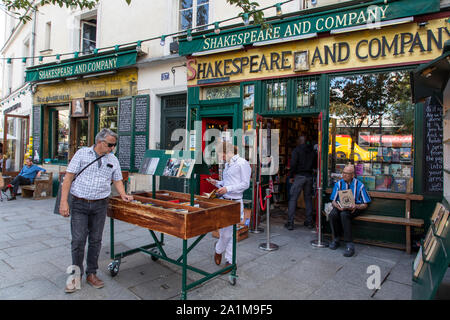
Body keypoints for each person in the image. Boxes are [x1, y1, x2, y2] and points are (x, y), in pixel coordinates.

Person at [59, 128, 133, 293]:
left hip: (100, 205)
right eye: (110, 145)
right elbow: (69, 178)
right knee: (78, 241)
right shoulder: (82, 154)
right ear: (100, 142)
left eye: (114, 145)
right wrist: (64, 202)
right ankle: (75, 275)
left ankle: (91, 273)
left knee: (95, 240)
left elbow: (117, 179)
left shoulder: (113, 159)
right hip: (80, 203)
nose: (112, 148)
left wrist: (123, 195)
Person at [206, 141, 251, 273]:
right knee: (226, 234)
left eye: (222, 154)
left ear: (228, 152)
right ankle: (223, 253)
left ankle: (227, 258)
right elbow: (226, 184)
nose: (221, 158)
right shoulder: (227, 164)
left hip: (236, 202)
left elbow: (245, 184)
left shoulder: (242, 163)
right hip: (225, 202)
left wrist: (228, 188)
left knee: (229, 234)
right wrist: (217, 183)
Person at [329, 164, 371, 257]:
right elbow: (333, 201)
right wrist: (337, 206)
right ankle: (336, 239)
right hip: (341, 206)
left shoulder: (360, 186)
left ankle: (349, 244)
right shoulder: (339, 184)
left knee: (344, 215)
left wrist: (355, 206)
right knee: (333, 214)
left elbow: (365, 204)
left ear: (352, 175)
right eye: (343, 173)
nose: (344, 175)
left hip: (355, 208)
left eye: (347, 174)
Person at [286, 136, 316, 230]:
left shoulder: (296, 150)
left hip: (299, 176)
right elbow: (315, 164)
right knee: (308, 199)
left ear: (300, 141)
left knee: (293, 198)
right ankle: (309, 221)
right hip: (309, 176)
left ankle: (290, 222)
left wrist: (291, 176)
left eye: (298, 140)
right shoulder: (312, 151)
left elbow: (293, 164)